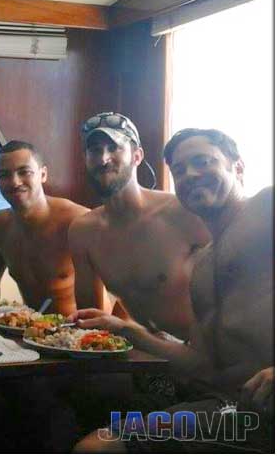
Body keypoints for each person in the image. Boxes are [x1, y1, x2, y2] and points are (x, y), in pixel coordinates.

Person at [73, 128, 274, 452]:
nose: (191, 174)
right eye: (179, 170)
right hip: (230, 408)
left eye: (203, 161)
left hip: (267, 411)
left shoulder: (267, 208)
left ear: (237, 167)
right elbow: (201, 363)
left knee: (97, 448)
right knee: (98, 439)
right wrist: (128, 331)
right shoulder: (204, 268)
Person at [68, 112, 210, 340]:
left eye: (114, 148)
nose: (103, 158)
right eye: (95, 150)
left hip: (203, 352)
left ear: (137, 156)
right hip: (146, 352)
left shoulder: (183, 212)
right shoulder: (83, 231)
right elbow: (92, 322)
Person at [0, 140, 90, 315]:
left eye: (24, 172)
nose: (15, 182)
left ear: (43, 174)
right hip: (26, 333)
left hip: (77, 333)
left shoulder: (78, 221)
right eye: (4, 175)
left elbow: (118, 290)